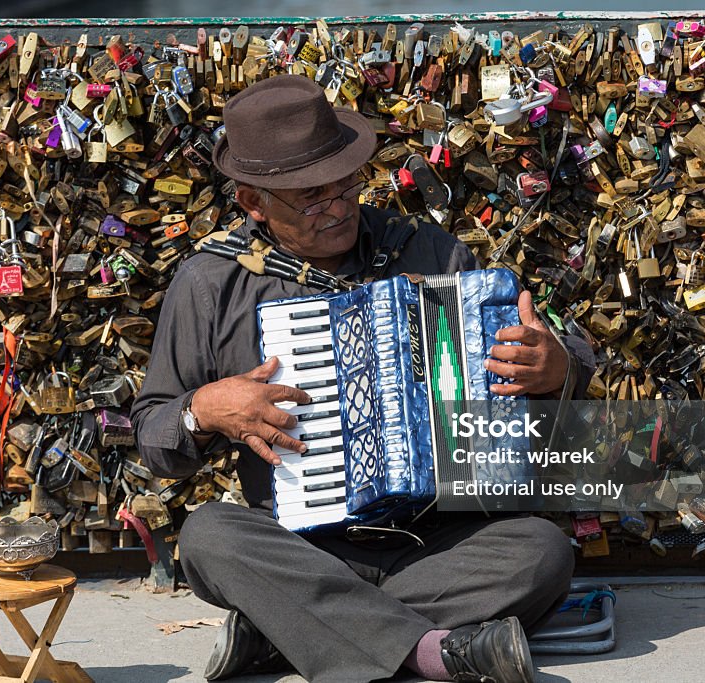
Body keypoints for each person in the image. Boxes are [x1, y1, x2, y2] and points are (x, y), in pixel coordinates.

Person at [132, 75, 596, 683]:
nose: (340, 207)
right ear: (252, 203)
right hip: (301, 546)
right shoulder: (209, 283)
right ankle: (434, 653)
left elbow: (561, 353)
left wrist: (555, 365)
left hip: (443, 543)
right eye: (312, 198)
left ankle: (288, 629)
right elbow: (153, 432)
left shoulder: (429, 252)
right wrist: (202, 411)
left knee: (542, 549)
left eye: (346, 186)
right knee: (208, 537)